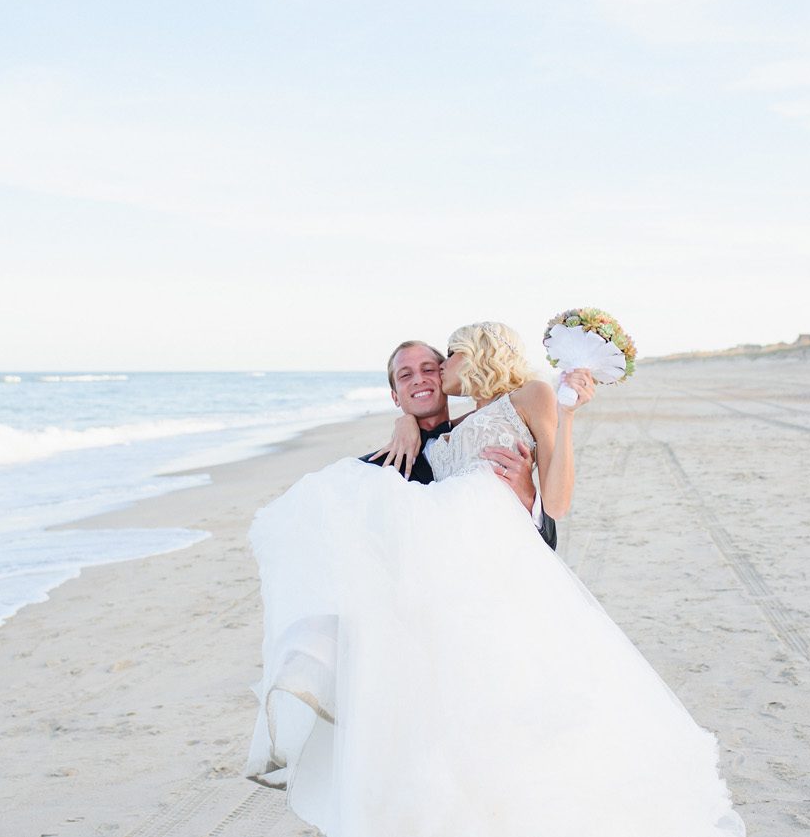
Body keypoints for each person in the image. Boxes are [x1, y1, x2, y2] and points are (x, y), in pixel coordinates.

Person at [244, 322, 744, 836]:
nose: (436, 373)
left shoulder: (530, 396)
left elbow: (556, 506)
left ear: (475, 354)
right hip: (446, 598)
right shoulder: (430, 437)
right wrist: (405, 423)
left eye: (441, 361)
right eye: (410, 375)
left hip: (501, 580)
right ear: (395, 393)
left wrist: (556, 438)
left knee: (527, 717)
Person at [359, 339, 557, 549]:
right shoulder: (375, 469)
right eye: (405, 375)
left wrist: (529, 497)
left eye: (428, 370)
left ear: (444, 376)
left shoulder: (492, 433)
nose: (419, 379)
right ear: (395, 397)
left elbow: (548, 543)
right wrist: (405, 421)